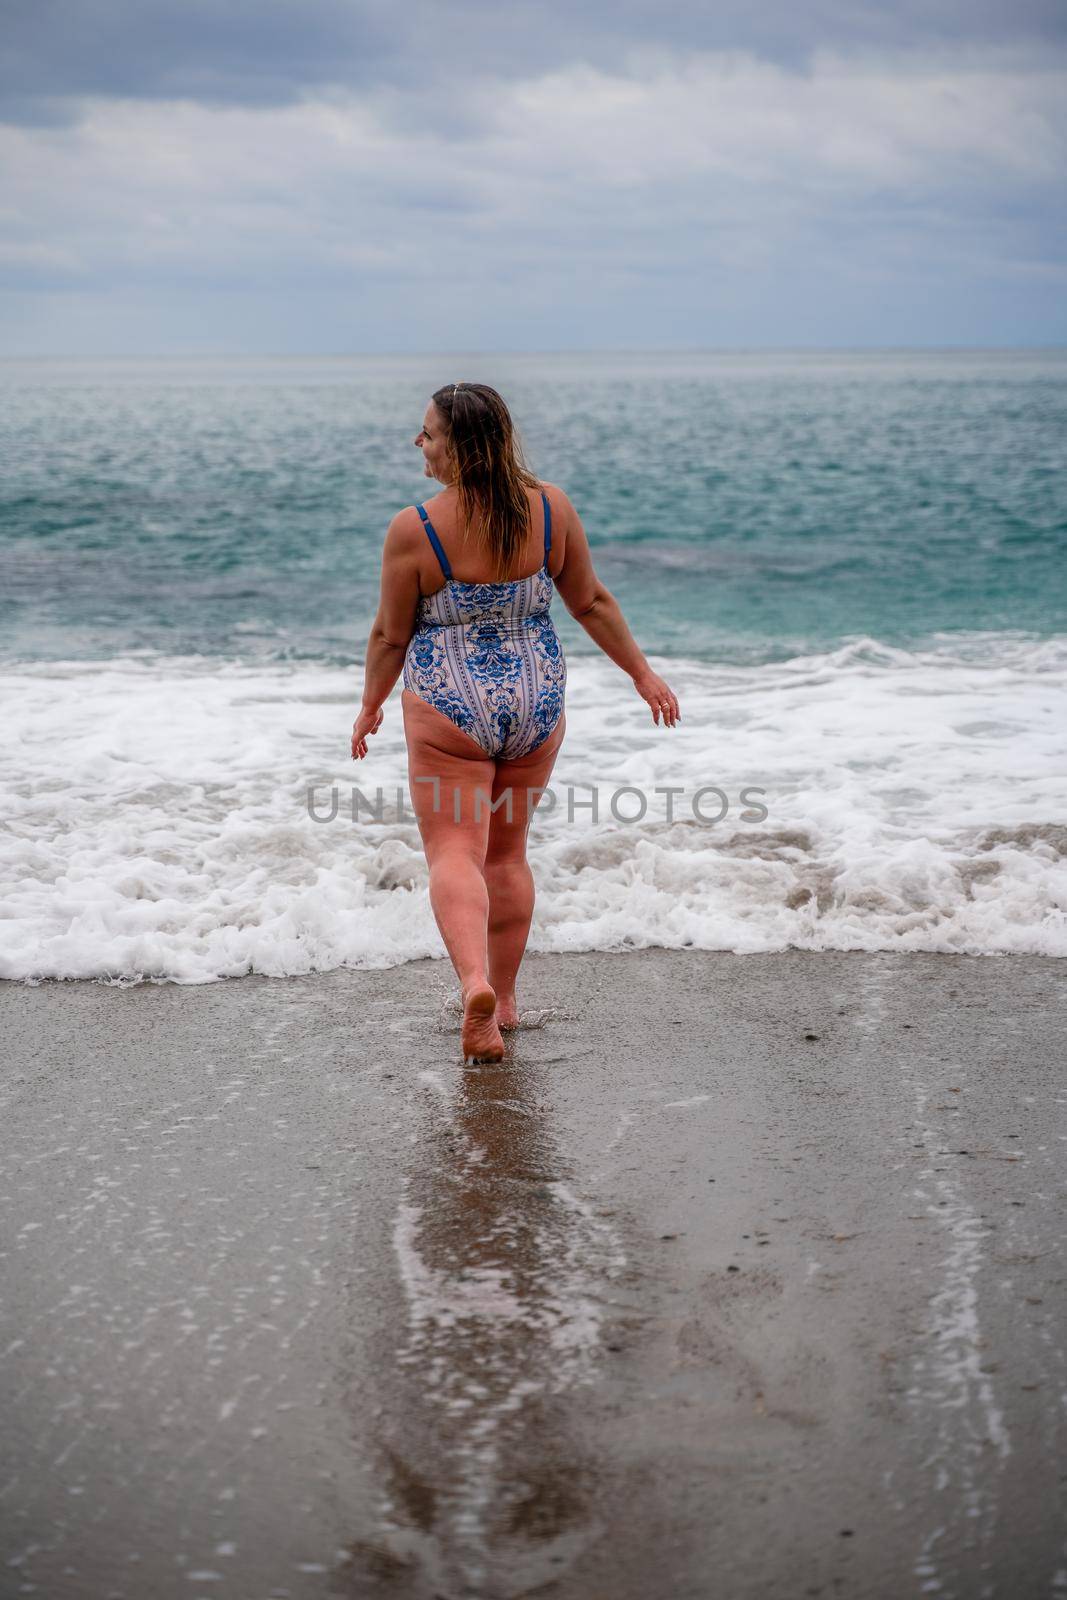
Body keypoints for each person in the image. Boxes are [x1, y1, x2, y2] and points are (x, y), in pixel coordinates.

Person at [352, 382, 680, 1063]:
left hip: (448, 704)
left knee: (453, 853)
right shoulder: (550, 509)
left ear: (461, 447)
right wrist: (641, 675)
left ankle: (472, 986)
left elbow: (390, 635)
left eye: (429, 434)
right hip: (536, 701)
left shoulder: (416, 528)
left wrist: (370, 704)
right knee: (506, 854)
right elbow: (589, 601)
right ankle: (502, 1001)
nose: (419, 442)